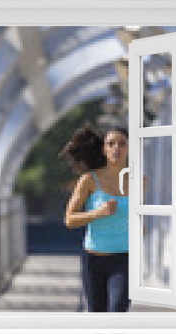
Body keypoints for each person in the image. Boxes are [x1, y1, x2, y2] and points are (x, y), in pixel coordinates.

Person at [59, 121, 147, 312]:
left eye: (122, 143)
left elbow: (140, 221)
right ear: (104, 149)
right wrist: (98, 213)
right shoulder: (89, 180)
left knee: (117, 312)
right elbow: (69, 219)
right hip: (94, 259)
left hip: (125, 258)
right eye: (111, 144)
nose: (117, 148)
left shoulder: (140, 181)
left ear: (130, 148)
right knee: (97, 316)